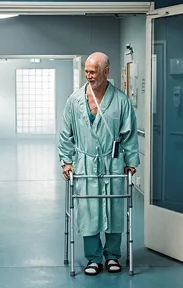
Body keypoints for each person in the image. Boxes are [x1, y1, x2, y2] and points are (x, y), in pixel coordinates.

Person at [58, 52, 139, 276]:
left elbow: (129, 134)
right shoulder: (74, 100)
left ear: (106, 72)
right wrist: (66, 161)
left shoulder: (121, 100)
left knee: (113, 209)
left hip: (112, 162)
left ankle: (112, 256)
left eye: (93, 71)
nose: (89, 75)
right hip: (84, 162)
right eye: (86, 71)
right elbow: (66, 134)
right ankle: (93, 258)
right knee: (89, 210)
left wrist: (131, 162)